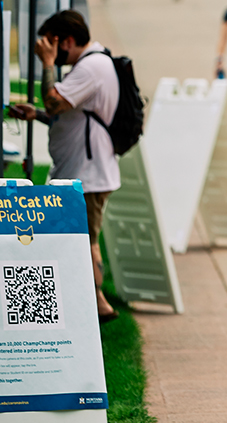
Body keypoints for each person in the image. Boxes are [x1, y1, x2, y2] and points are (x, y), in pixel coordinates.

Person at [8, 10, 121, 324]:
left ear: (66, 41)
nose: (50, 53)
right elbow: (69, 113)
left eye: (51, 45)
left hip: (89, 173)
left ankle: (96, 306)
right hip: (84, 169)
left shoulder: (92, 65)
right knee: (80, 239)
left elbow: (54, 101)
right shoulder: (92, 64)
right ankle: (94, 304)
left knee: (87, 240)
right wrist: (37, 116)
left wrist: (46, 64)